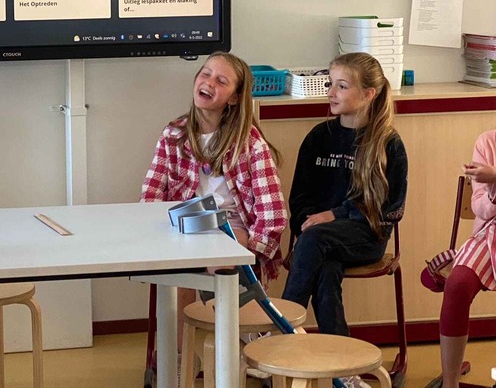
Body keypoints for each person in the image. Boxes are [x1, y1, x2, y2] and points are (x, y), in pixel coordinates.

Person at [141, 52, 287, 346]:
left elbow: (273, 213)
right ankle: (179, 356)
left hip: (232, 228)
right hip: (185, 226)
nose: (209, 82)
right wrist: (156, 238)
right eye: (205, 74)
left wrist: (251, 251)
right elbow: (151, 195)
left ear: (234, 98)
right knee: (179, 270)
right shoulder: (174, 134)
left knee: (217, 260)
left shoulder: (250, 143)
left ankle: (235, 343)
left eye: (221, 81)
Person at [283, 53, 407, 388]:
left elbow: (387, 209)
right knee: (324, 269)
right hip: (318, 239)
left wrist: (332, 216)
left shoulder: (388, 144)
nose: (331, 93)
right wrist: (307, 222)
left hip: (365, 237)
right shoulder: (318, 136)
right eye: (329, 84)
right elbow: (298, 199)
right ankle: (345, 371)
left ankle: (280, 332)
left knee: (315, 241)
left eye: (341, 85)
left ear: (369, 94)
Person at [433, 130, 496, 388]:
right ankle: (451, 383)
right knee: (457, 284)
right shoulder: (488, 141)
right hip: (490, 231)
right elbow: (479, 206)